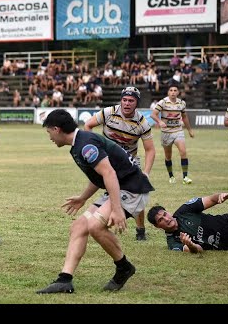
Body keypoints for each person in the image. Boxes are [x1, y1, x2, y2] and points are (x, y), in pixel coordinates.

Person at [36, 109, 154, 294]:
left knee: (95, 225)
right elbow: (100, 175)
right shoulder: (78, 144)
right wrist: (83, 198)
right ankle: (64, 280)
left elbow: (109, 173)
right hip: (118, 187)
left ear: (57, 129)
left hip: (132, 189)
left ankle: (124, 267)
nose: (50, 137)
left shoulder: (85, 145)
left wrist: (116, 209)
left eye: (49, 132)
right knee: (79, 226)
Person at [84, 87, 155, 241]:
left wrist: (146, 172)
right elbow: (88, 125)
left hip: (129, 161)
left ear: (136, 103)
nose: (127, 103)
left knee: (138, 190)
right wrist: (94, 148)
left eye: (131, 100)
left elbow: (150, 150)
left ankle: (140, 230)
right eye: (124, 100)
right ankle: (98, 216)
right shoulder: (108, 113)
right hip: (107, 159)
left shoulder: (142, 123)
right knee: (104, 186)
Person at [147, 192, 228, 253]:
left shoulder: (183, 211)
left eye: (165, 214)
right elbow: (198, 250)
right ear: (157, 226)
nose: (167, 219)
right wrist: (190, 245)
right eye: (161, 220)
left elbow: (209, 199)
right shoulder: (173, 243)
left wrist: (219, 196)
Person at [151, 83, 194, 184]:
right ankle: (171, 176)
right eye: (171, 90)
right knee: (168, 156)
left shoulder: (182, 103)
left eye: (175, 90)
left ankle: (185, 177)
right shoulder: (163, 102)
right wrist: (160, 121)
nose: (173, 92)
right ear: (168, 92)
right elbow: (153, 115)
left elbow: (184, 117)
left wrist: (189, 130)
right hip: (166, 133)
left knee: (183, 152)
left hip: (178, 131)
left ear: (178, 92)